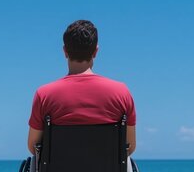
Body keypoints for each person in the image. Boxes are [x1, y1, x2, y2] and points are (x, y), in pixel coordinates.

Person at [27, 20, 137, 155]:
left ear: (65, 51)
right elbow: (129, 147)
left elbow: (33, 147)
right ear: (96, 51)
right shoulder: (121, 92)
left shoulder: (44, 95)